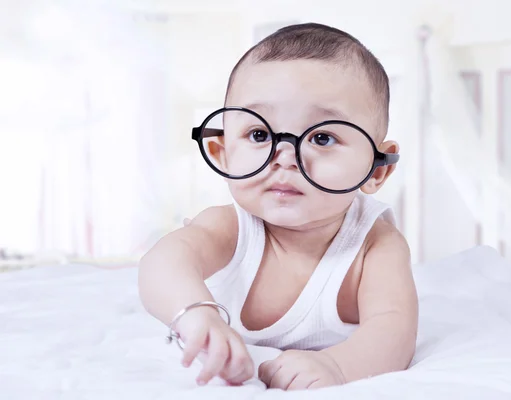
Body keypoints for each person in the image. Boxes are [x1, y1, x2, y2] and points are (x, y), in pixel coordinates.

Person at [138, 22, 418, 391]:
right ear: (222, 152)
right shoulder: (230, 227)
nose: (285, 157)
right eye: (259, 135)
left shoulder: (374, 246)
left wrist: (337, 365)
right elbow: (161, 263)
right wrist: (195, 313)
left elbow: (394, 330)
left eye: (322, 137)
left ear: (377, 168)